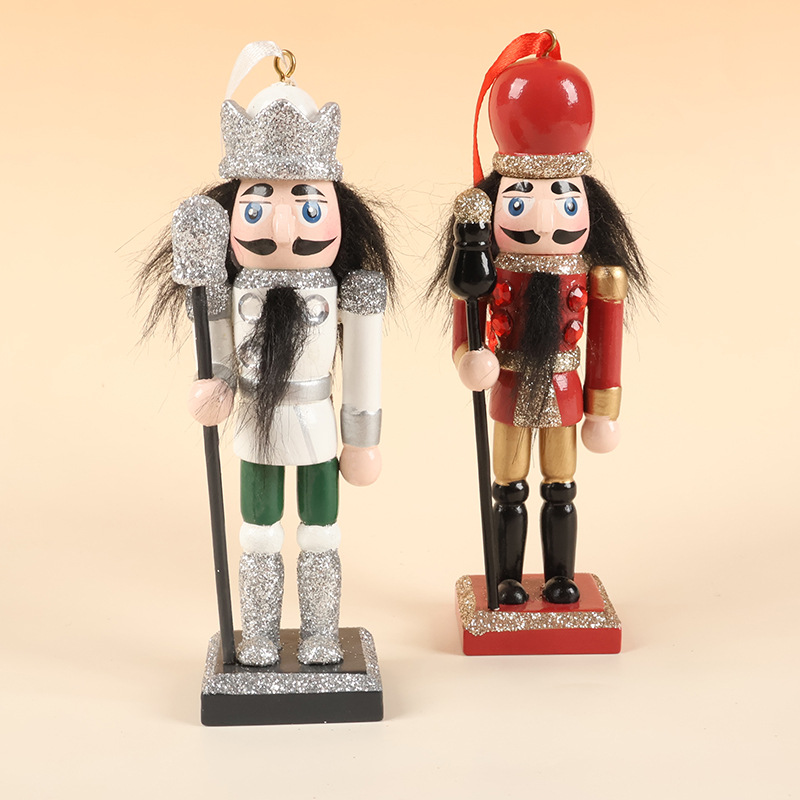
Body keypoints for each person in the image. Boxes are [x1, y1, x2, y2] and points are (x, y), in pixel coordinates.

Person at [140, 42, 395, 667]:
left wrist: (362, 438)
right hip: (255, 424)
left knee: (321, 532)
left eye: (307, 204)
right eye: (258, 204)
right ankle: (257, 635)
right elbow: (218, 356)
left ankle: (319, 634)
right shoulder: (228, 290)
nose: (282, 227)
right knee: (257, 534)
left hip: (317, 425)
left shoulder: (351, 291)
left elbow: (362, 370)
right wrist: (215, 384)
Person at [434, 32, 649, 607]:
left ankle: (558, 576)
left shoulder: (594, 276)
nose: (544, 217)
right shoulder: (485, 270)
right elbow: (466, 322)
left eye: (565, 199)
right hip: (507, 381)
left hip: (563, 386)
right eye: (522, 198)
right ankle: (506, 577)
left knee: (561, 486)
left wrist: (603, 407)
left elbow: (604, 343)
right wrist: (470, 357)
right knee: (507, 486)